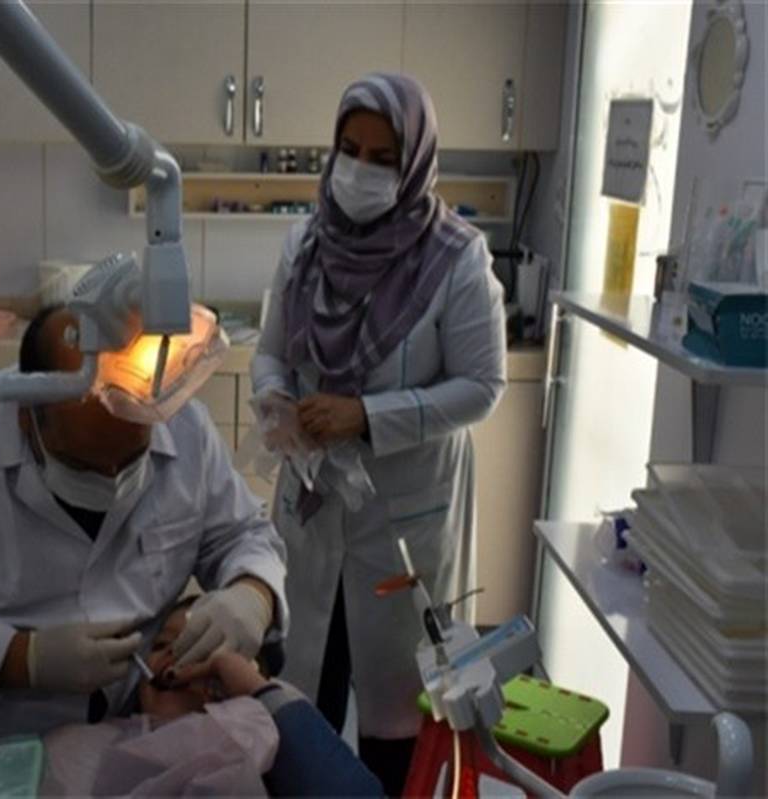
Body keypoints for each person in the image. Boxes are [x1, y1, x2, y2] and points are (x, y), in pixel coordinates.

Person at [0, 306, 288, 740]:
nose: (112, 481)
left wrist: (253, 595)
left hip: (131, 731)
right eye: (84, 466)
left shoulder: (184, 427)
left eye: (131, 460)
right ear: (27, 416)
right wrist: (19, 658)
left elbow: (242, 534)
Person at [251, 72, 506, 795]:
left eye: (383, 157)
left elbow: (483, 385)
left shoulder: (456, 258)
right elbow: (269, 353)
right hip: (313, 504)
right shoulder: (306, 245)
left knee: (399, 715)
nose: (359, 170)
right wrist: (277, 401)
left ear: (415, 162)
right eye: (349, 149)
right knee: (302, 688)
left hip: (404, 518)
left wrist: (365, 414)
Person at [42, 598, 383, 797]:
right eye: (161, 645)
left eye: (198, 649)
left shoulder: (265, 746)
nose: (173, 656)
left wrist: (258, 691)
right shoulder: (79, 748)